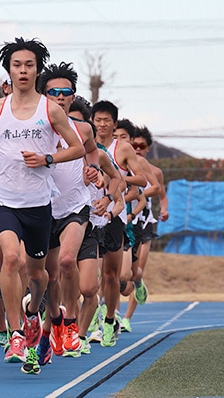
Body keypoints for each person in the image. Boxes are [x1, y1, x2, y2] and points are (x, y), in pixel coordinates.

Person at [0, 37, 85, 375]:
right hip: (4, 202)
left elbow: (75, 149)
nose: (22, 70)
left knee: (38, 274)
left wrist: (48, 157)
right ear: (9, 70)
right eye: (17, 65)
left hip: (39, 204)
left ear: (37, 71)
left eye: (29, 65)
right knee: (11, 258)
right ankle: (15, 333)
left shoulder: (51, 110)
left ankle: (34, 313)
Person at [36, 62, 109, 359]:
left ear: (72, 96)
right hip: (41, 208)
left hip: (75, 207)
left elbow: (92, 153)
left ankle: (69, 322)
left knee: (68, 260)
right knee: (47, 277)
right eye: (54, 92)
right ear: (44, 96)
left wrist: (94, 171)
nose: (60, 97)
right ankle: (49, 326)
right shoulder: (34, 128)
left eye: (66, 92)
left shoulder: (82, 129)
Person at [91, 100, 147, 348]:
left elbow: (142, 180)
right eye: (98, 120)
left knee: (111, 275)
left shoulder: (122, 148)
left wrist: (117, 175)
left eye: (106, 120)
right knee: (91, 275)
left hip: (115, 215)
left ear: (114, 124)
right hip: (90, 213)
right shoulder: (85, 145)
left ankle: (111, 319)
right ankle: (93, 321)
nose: (102, 124)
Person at [122, 125, 169, 330]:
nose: (138, 149)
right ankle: (110, 314)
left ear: (148, 148)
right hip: (125, 220)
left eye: (142, 146)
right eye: (134, 145)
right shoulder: (121, 166)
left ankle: (127, 318)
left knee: (137, 272)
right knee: (122, 272)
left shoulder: (155, 172)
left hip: (145, 221)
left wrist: (164, 211)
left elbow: (162, 196)